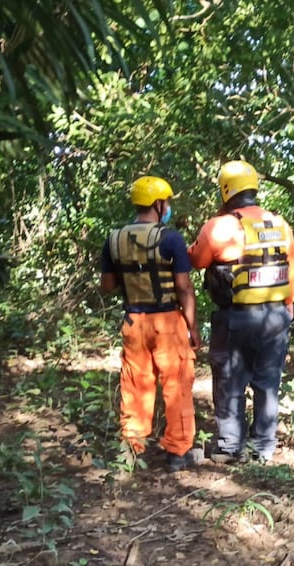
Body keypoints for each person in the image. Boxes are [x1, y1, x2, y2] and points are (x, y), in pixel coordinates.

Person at [189, 160, 294, 464]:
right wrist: (288, 305)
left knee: (229, 380)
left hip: (236, 317)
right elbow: (291, 267)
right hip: (276, 315)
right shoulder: (279, 223)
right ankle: (263, 447)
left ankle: (230, 446)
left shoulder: (221, 226)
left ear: (226, 190)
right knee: (267, 382)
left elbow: (196, 260)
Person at [100, 175, 203, 473]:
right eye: (167, 202)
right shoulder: (170, 239)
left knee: (134, 385)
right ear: (158, 204)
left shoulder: (115, 239)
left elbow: (107, 285)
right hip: (168, 322)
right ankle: (177, 453)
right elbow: (184, 287)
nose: (168, 207)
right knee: (177, 386)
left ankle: (130, 451)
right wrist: (193, 327)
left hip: (134, 322)